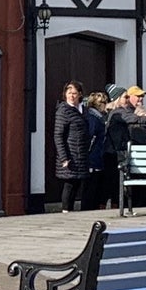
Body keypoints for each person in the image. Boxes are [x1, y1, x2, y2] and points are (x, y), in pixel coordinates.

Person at [52, 81, 90, 211]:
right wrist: (64, 157)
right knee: (69, 183)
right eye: (69, 93)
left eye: (74, 93)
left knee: (77, 183)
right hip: (70, 153)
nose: (72, 96)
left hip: (81, 153)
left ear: (80, 94)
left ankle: (72, 211)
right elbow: (58, 135)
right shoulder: (63, 111)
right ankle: (66, 211)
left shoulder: (83, 110)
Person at [83, 89, 113, 210]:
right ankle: (87, 209)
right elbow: (91, 137)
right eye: (104, 103)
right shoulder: (94, 119)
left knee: (95, 186)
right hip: (93, 158)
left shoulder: (99, 118)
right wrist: (89, 155)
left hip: (97, 157)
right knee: (90, 187)